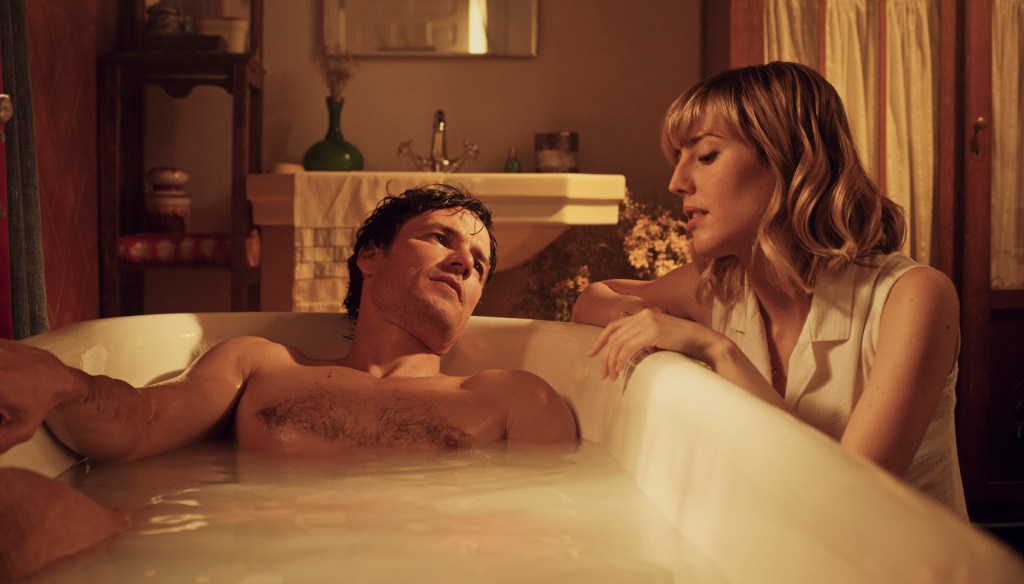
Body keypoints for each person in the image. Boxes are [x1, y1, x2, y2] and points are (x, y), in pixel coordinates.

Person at [0, 183, 577, 579]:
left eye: (479, 264)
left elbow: (556, 538)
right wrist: (59, 381)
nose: (463, 261)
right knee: (18, 505)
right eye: (441, 238)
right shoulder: (260, 365)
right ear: (370, 256)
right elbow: (137, 424)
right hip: (242, 562)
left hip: (426, 570)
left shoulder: (512, 397)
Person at [571, 62, 966, 516]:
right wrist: (645, 319)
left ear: (788, 161)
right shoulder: (723, 288)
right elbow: (593, 298)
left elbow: (850, 506)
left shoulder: (913, 298)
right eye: (678, 159)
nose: (676, 183)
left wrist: (718, 351)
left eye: (706, 156)